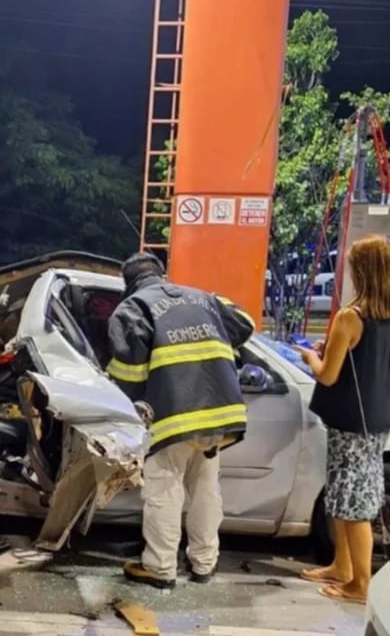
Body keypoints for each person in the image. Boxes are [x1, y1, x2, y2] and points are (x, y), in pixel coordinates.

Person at [107, 252, 255, 589]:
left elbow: (127, 375)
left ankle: (160, 568)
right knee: (205, 488)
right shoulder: (203, 297)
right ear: (163, 274)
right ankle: (204, 563)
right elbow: (244, 323)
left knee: (164, 490)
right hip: (220, 414)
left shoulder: (133, 309)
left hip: (173, 416)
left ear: (128, 283)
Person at [297, 234, 390, 604]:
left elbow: (327, 375)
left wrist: (310, 358)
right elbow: (360, 363)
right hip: (376, 419)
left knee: (354, 507)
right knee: (344, 499)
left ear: (363, 271)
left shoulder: (351, 317)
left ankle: (360, 585)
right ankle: (341, 567)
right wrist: (331, 352)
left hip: (350, 424)